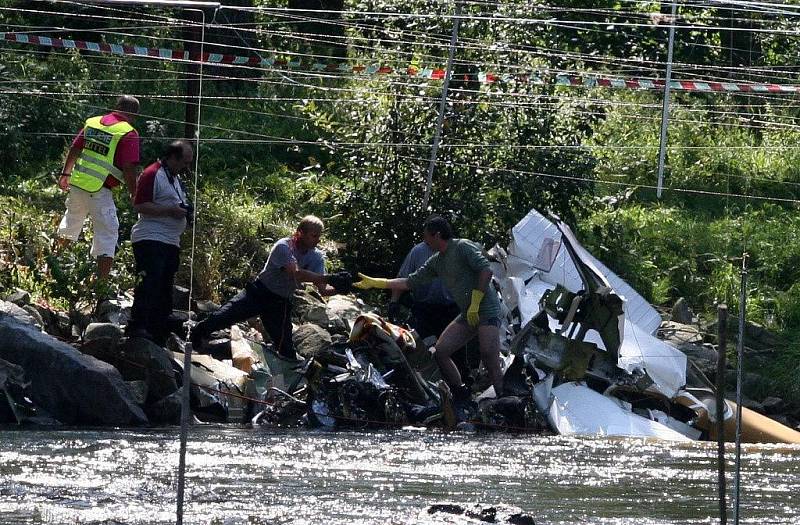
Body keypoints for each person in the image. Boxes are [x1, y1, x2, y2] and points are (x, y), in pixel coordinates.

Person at [354, 216, 504, 406]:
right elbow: (410, 281)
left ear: (438, 235)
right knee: (441, 351)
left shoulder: (463, 247)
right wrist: (379, 283)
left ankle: (503, 397)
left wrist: (476, 302)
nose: (424, 240)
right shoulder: (437, 261)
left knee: (488, 355)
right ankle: (462, 394)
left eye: (427, 236)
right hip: (468, 312)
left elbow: (486, 270)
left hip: (486, 308)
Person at [190, 216, 352, 359]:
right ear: (300, 233)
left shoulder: (316, 257)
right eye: (314, 236)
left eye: (319, 237)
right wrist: (329, 277)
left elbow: (323, 290)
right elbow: (295, 273)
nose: (317, 240)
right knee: (223, 316)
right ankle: (194, 337)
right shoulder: (284, 246)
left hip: (279, 303)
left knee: (287, 349)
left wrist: (342, 287)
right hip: (258, 293)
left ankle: (283, 374)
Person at [56, 95, 140, 281]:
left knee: (70, 225)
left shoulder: (93, 123)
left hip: (78, 184)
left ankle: (53, 267)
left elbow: (75, 148)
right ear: (134, 115)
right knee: (108, 233)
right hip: (100, 190)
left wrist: (65, 174)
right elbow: (128, 167)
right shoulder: (128, 132)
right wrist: (134, 193)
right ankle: (100, 285)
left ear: (116, 107)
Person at [125, 140, 194, 345]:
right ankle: (137, 326)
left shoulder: (175, 179)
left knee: (165, 286)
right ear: (173, 157)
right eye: (185, 162)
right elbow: (139, 205)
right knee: (149, 283)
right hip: (151, 237)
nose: (186, 167)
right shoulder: (152, 173)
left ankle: (158, 328)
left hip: (170, 241)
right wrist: (170, 211)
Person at [389, 241, 459, 342]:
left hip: (451, 309)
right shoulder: (418, 251)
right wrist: (393, 302)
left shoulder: (458, 250)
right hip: (424, 309)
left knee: (451, 348)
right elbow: (402, 278)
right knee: (422, 345)